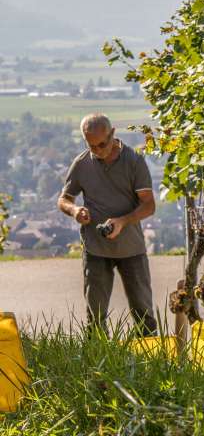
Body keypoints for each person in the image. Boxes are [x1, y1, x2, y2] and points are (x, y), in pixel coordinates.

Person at [57, 113, 157, 336]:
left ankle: (150, 358)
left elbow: (149, 205)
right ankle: (98, 362)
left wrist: (122, 221)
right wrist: (75, 211)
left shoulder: (134, 161)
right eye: (91, 146)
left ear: (113, 134)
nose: (97, 151)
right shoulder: (82, 163)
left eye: (102, 144)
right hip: (95, 249)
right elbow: (64, 199)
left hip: (131, 248)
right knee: (95, 315)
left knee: (144, 312)